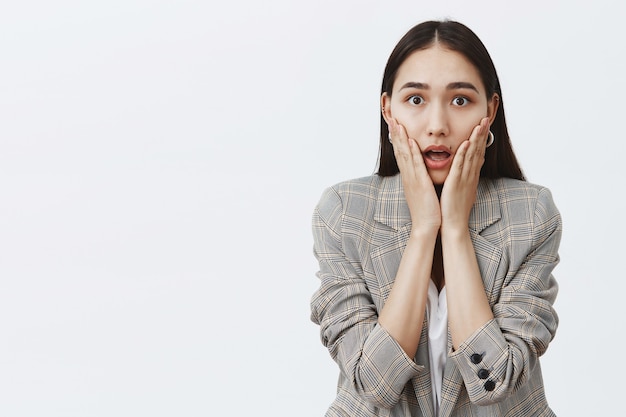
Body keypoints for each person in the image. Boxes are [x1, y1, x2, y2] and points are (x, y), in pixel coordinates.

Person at [310, 20, 562, 417]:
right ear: (387, 108)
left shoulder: (530, 214)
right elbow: (374, 383)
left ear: (490, 110)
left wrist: (457, 230)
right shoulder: (344, 212)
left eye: (460, 100)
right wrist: (425, 229)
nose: (438, 126)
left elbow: (495, 380)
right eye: (415, 100)